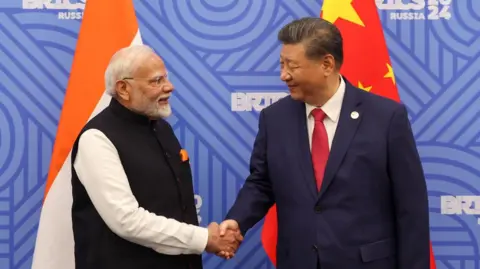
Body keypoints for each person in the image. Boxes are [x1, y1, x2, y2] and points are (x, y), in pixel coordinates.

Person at [218, 17, 431, 269]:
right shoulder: (274, 119)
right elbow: (262, 182)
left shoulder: (386, 117)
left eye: (292, 66)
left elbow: (411, 206)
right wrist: (238, 219)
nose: (283, 75)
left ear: (327, 64)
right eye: (281, 64)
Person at [70, 45, 241, 269]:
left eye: (166, 78)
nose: (169, 87)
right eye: (156, 81)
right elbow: (126, 221)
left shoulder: (161, 128)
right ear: (123, 88)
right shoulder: (97, 138)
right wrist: (204, 239)